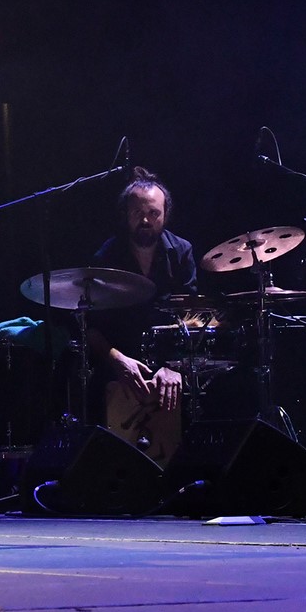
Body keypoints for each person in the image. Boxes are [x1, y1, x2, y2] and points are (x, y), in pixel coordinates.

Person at [85, 168, 198, 460]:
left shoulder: (181, 252)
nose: (145, 220)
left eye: (153, 212)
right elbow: (90, 328)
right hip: (121, 364)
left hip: (169, 363)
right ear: (126, 214)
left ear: (165, 214)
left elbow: (190, 318)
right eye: (138, 213)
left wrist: (175, 367)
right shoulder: (106, 257)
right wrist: (117, 360)